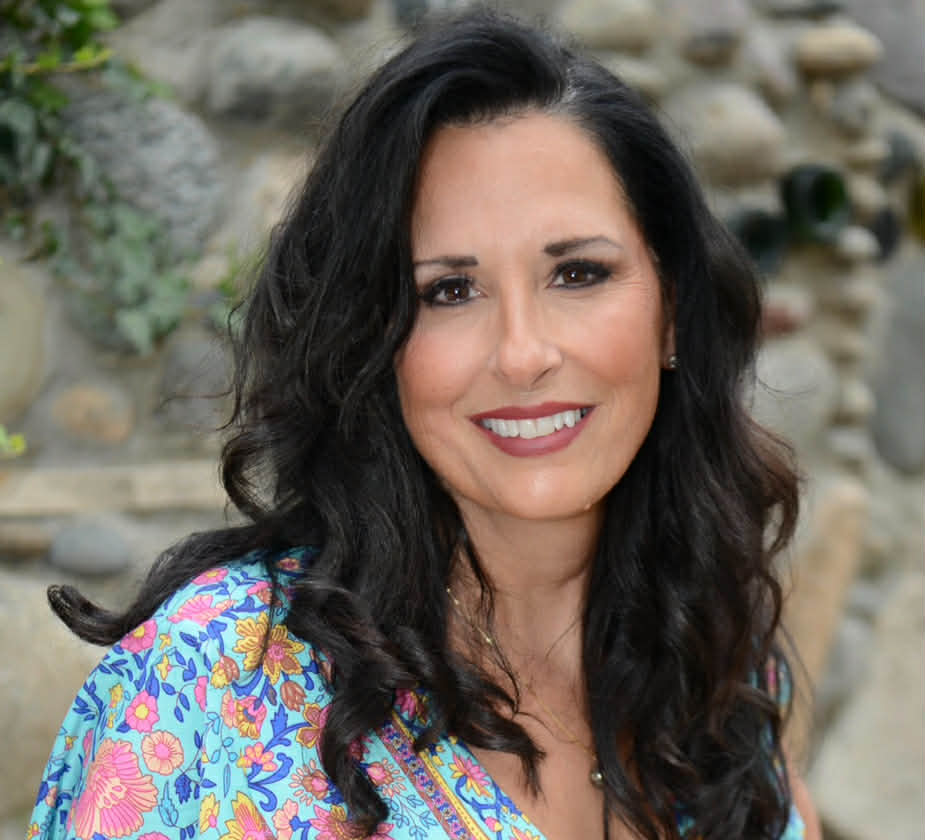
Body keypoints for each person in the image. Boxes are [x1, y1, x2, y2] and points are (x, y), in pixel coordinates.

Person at [28, 10, 821, 840]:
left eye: (578, 273)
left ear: (671, 311)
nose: (522, 354)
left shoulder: (718, 670)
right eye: (448, 291)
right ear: (372, 343)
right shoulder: (213, 686)